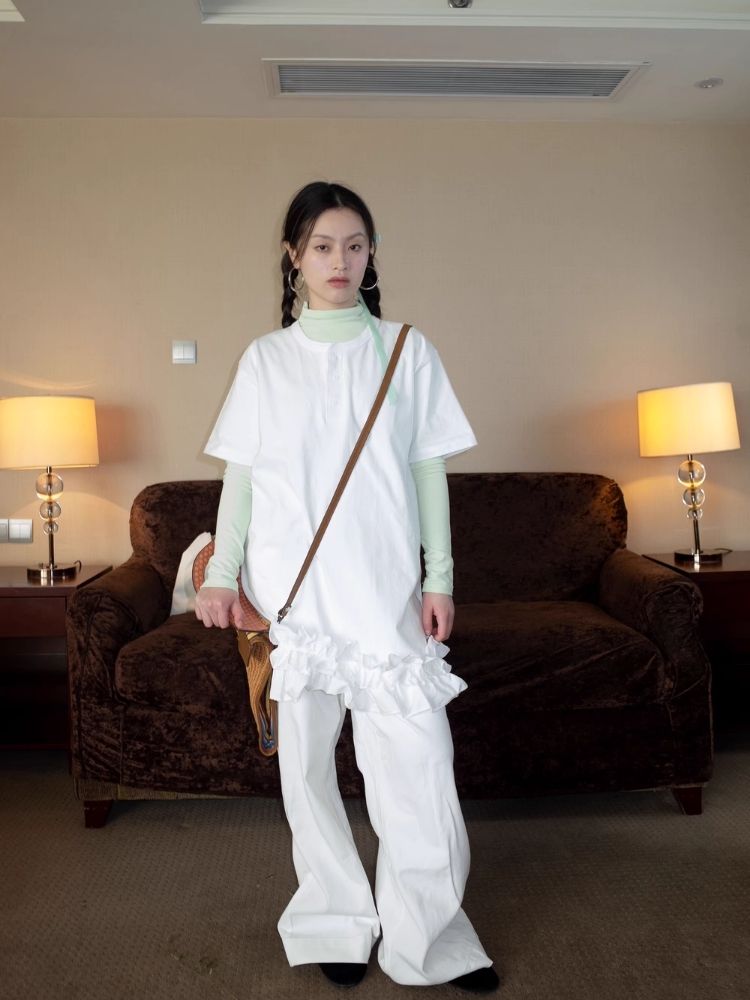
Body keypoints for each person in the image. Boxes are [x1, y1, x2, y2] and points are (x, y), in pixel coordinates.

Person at [195, 180, 500, 993]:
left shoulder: (407, 350)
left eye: (355, 245)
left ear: (371, 255)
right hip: (294, 598)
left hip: (383, 591)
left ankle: (429, 939)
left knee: (418, 768)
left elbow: (428, 469)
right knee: (306, 773)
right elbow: (242, 481)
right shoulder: (265, 360)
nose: (341, 260)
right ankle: (334, 920)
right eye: (324, 246)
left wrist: (439, 578)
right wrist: (222, 574)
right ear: (294, 256)